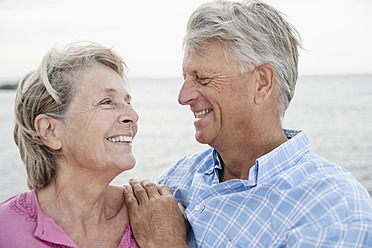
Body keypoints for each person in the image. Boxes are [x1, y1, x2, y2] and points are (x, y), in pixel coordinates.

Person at [124, 0, 372, 247]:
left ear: (261, 83)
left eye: (202, 79)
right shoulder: (179, 175)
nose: (183, 97)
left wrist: (168, 243)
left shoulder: (334, 207)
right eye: (186, 78)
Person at [0, 41, 145, 247]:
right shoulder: (5, 230)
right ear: (50, 131)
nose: (132, 115)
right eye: (107, 101)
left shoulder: (152, 214)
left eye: (128, 102)